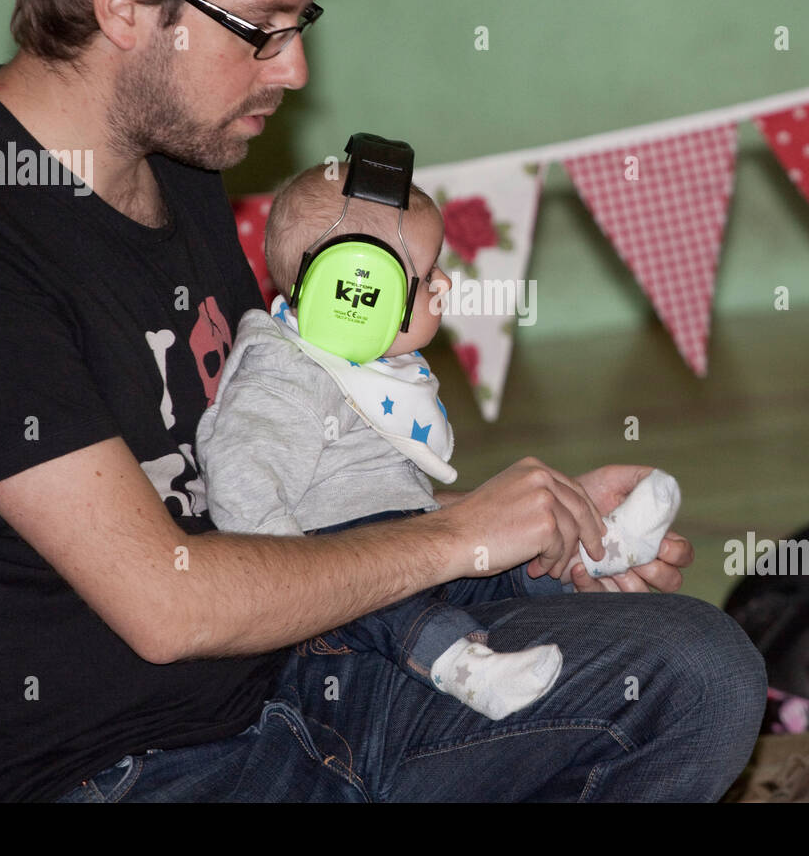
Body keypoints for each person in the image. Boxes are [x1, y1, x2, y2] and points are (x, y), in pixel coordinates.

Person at [0, 0, 766, 802]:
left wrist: (533, 541)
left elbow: (278, 500)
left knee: (697, 674)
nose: (295, 68)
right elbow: (166, 601)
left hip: (290, 690)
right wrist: (459, 538)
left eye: (298, 24)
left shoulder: (177, 171)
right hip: (105, 774)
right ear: (126, 8)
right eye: (261, 29)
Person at [196, 160, 682, 721]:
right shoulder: (283, 375)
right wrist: (298, 576)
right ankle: (463, 666)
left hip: (402, 536)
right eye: (426, 276)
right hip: (336, 575)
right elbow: (239, 474)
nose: (445, 284)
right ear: (354, 292)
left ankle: (597, 551)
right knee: (393, 599)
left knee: (488, 564)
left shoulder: (362, 363)